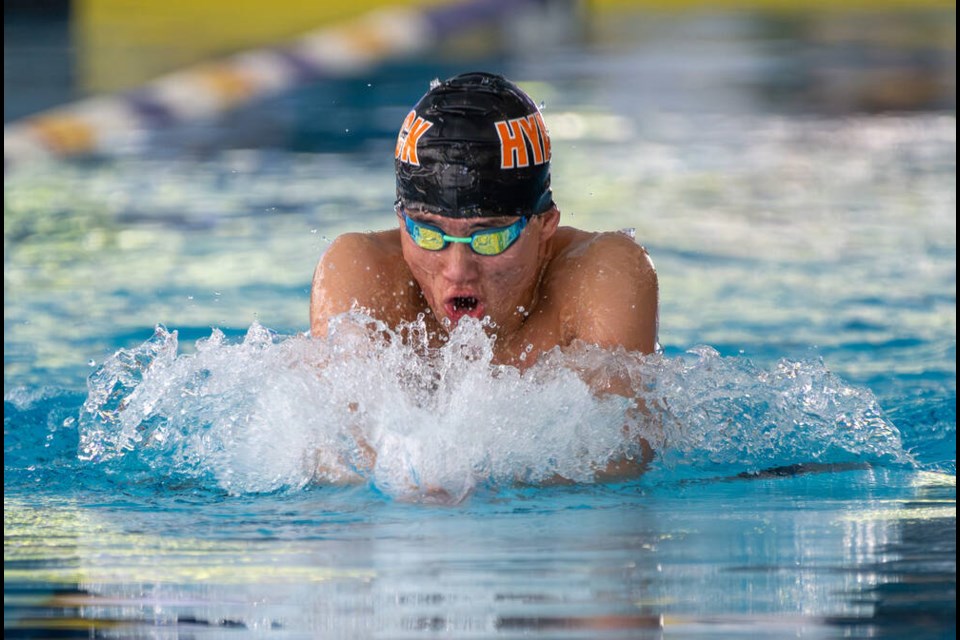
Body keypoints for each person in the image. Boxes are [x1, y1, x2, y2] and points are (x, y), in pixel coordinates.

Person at [309, 71, 658, 482]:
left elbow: (616, 454)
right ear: (401, 221)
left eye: (488, 237)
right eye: (428, 233)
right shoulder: (360, 269)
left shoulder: (603, 273)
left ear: (545, 224)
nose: (457, 269)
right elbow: (336, 451)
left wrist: (458, 480)